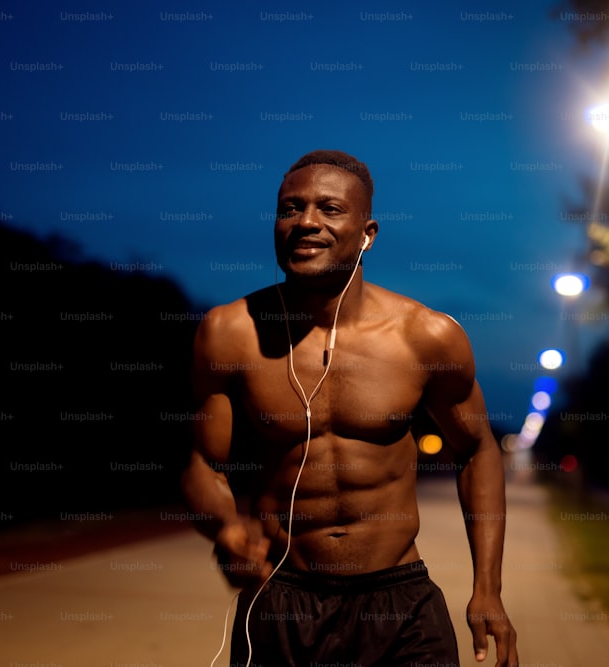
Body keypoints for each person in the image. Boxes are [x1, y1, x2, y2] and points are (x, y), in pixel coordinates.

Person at [181, 149, 518, 667]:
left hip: (399, 604)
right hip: (281, 598)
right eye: (290, 208)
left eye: (329, 209)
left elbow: (477, 450)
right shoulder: (231, 333)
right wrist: (224, 527)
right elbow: (204, 463)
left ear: (368, 233)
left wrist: (488, 588)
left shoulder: (425, 337)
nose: (306, 222)